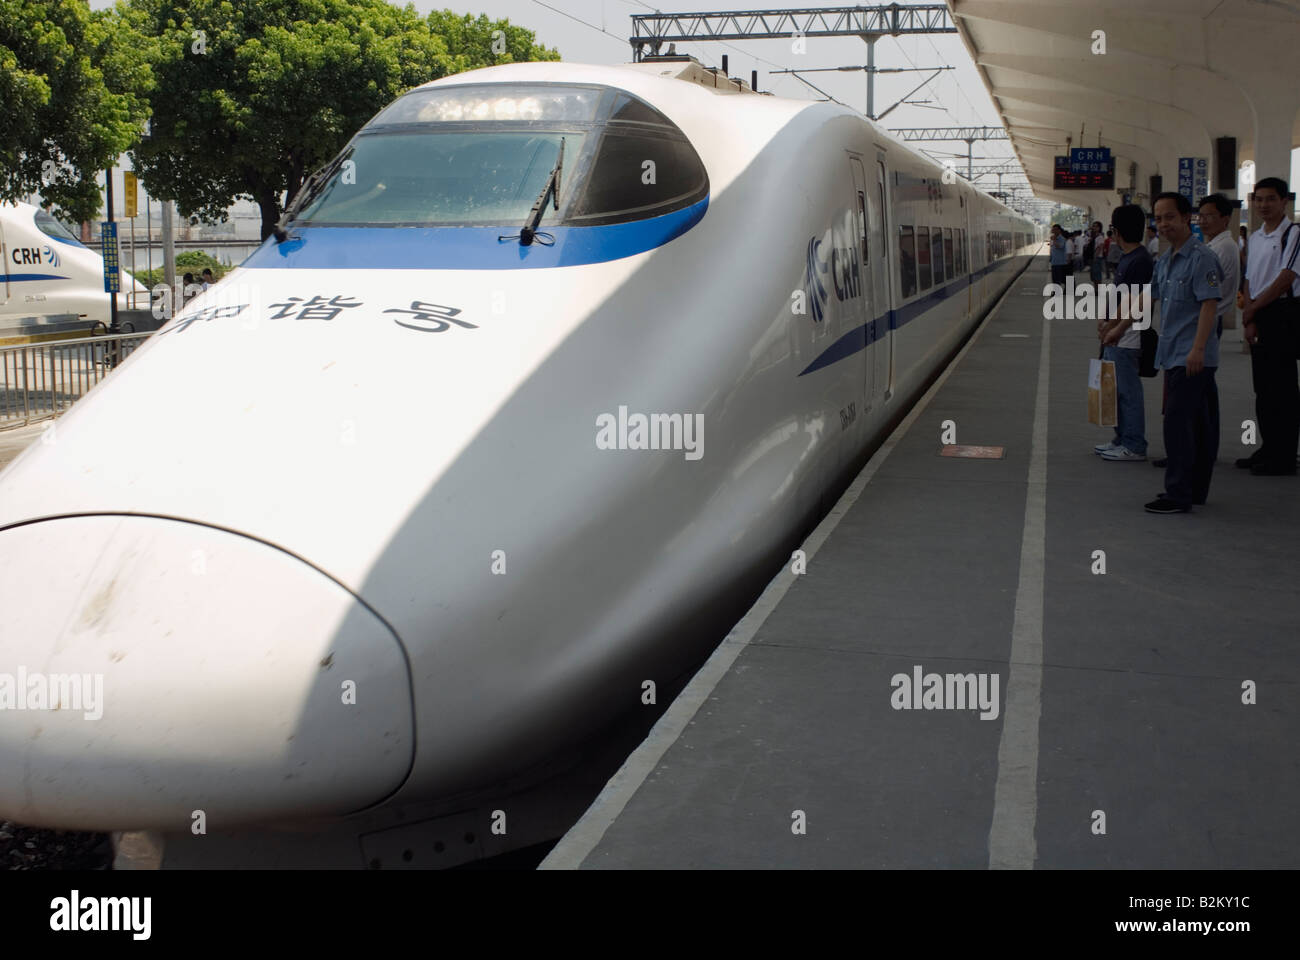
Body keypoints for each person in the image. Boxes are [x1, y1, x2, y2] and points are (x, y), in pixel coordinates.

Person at [1145, 192, 1223, 513]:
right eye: (1158, 218)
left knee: (1177, 425)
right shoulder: (1165, 260)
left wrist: (1198, 350)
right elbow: (1149, 298)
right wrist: (1115, 325)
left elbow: (1209, 305)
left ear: (1186, 218)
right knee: (1200, 425)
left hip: (1191, 357)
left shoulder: (1201, 257)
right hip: (1174, 353)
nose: (1163, 224)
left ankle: (1177, 494)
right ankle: (1195, 491)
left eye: (1169, 217)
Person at [1240, 176, 1300, 476]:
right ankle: (1268, 447)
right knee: (1263, 387)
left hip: (1283, 314)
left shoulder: (1293, 233)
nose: (1263, 205)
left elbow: (1285, 279)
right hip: (1259, 313)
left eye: (1270, 199)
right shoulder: (1255, 237)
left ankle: (1285, 456)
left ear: (1284, 201)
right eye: (1259, 199)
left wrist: (1252, 309)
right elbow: (1250, 278)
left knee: (1284, 389)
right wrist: (1250, 315)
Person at [1095, 204, 1154, 462]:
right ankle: (1121, 438)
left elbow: (1133, 301)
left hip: (1128, 337)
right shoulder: (1129, 257)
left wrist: (1111, 327)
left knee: (1128, 393)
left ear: (1116, 231)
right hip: (1117, 335)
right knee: (1116, 391)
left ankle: (1134, 444)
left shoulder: (1140, 260)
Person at [1197, 194, 1240, 342]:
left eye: (1208, 216)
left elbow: (1208, 289)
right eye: (1200, 216)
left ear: (1225, 219)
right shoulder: (1214, 245)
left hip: (1208, 319)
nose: (1202, 221)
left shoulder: (1223, 247)